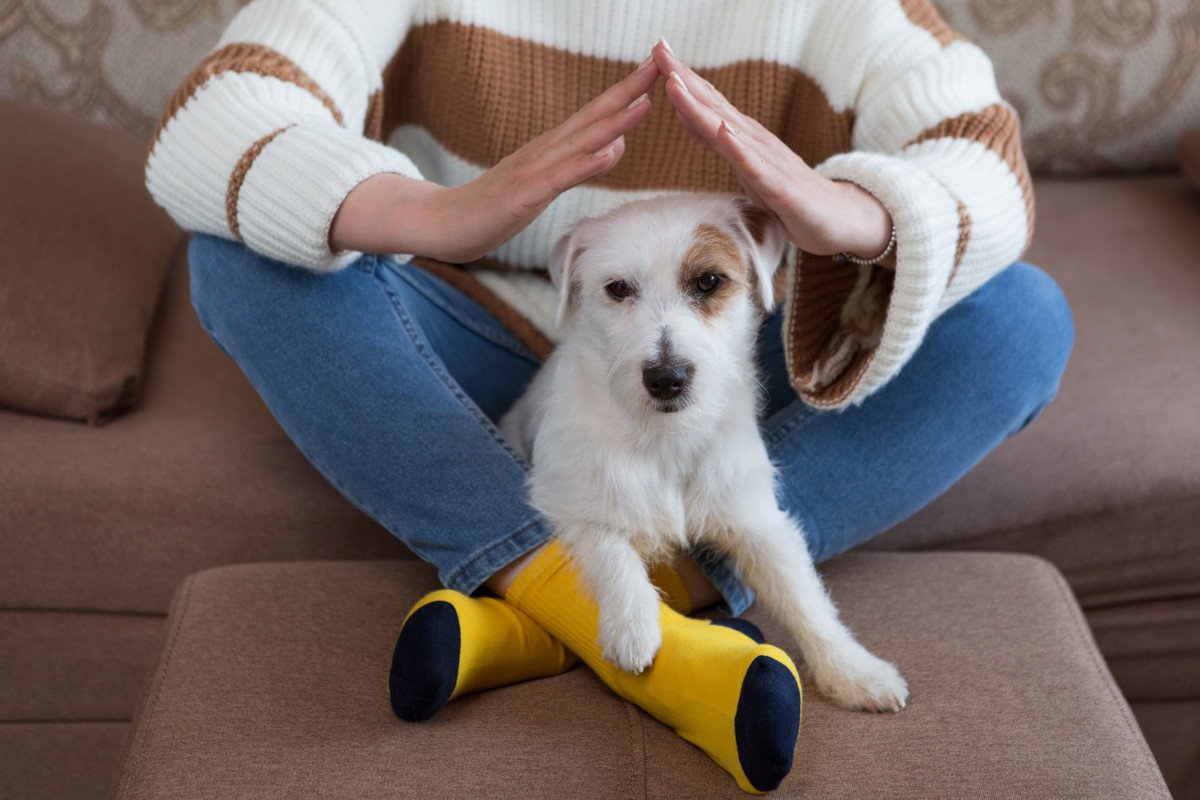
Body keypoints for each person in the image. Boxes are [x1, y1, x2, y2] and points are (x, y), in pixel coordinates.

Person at [146, 0, 1074, 792]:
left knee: (1021, 320)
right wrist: (437, 215)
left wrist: (855, 216)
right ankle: (650, 637)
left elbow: (983, 155)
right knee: (238, 259)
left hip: (726, 377)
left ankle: (549, 611)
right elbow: (211, 118)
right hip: (459, 345)